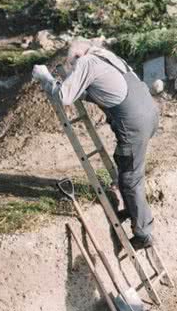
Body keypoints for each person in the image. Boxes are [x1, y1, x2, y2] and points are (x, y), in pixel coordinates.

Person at [31, 40, 159, 250]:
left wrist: (44, 77)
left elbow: (64, 97)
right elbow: (104, 90)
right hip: (150, 115)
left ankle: (143, 234)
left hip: (134, 124)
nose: (73, 70)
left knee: (130, 178)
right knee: (125, 163)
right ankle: (131, 208)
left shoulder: (86, 62)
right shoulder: (108, 58)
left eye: (72, 66)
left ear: (77, 58)